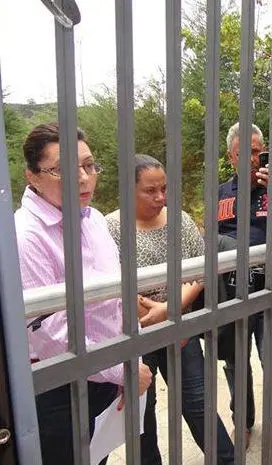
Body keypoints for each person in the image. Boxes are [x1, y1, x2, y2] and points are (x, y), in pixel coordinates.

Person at [15, 122, 152, 465]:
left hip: (105, 375)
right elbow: (50, 333)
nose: (84, 177)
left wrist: (127, 358)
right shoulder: (25, 236)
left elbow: (114, 299)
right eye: (63, 169)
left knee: (98, 458)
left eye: (89, 165)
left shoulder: (94, 220)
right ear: (32, 175)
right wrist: (123, 370)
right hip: (59, 389)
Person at [105, 154, 234, 465]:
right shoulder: (110, 227)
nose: (161, 197)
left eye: (164, 188)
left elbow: (200, 272)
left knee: (198, 404)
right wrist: (152, 317)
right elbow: (114, 284)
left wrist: (170, 309)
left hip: (180, 329)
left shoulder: (180, 220)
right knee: (141, 418)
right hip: (135, 337)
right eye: (151, 190)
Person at [218, 122, 272, 462]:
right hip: (233, 291)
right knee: (235, 364)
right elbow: (210, 239)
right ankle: (244, 421)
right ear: (231, 157)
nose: (254, 159)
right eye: (246, 153)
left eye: (258, 152)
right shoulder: (222, 192)